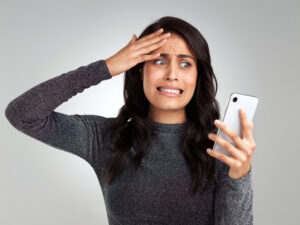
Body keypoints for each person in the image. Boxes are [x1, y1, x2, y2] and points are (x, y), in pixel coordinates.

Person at [5, 16, 255, 225]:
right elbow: (23, 114)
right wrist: (106, 67)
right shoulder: (106, 138)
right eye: (159, 61)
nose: (172, 75)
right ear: (139, 68)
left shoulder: (221, 147)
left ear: (198, 76)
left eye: (185, 63)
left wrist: (240, 176)